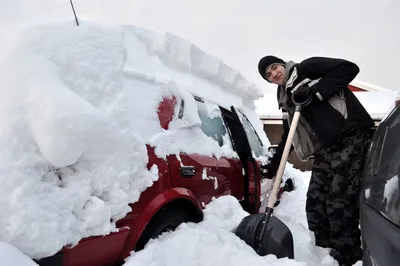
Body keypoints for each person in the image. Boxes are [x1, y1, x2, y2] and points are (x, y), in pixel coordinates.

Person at [258, 55, 374, 266]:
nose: (274, 74)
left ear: (282, 64)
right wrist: (274, 166)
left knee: (339, 202)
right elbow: (289, 135)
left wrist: (315, 91)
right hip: (326, 148)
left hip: (351, 136)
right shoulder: (286, 100)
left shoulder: (307, 68)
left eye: (274, 67)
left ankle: (348, 257)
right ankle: (321, 252)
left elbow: (349, 68)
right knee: (315, 202)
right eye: (269, 75)